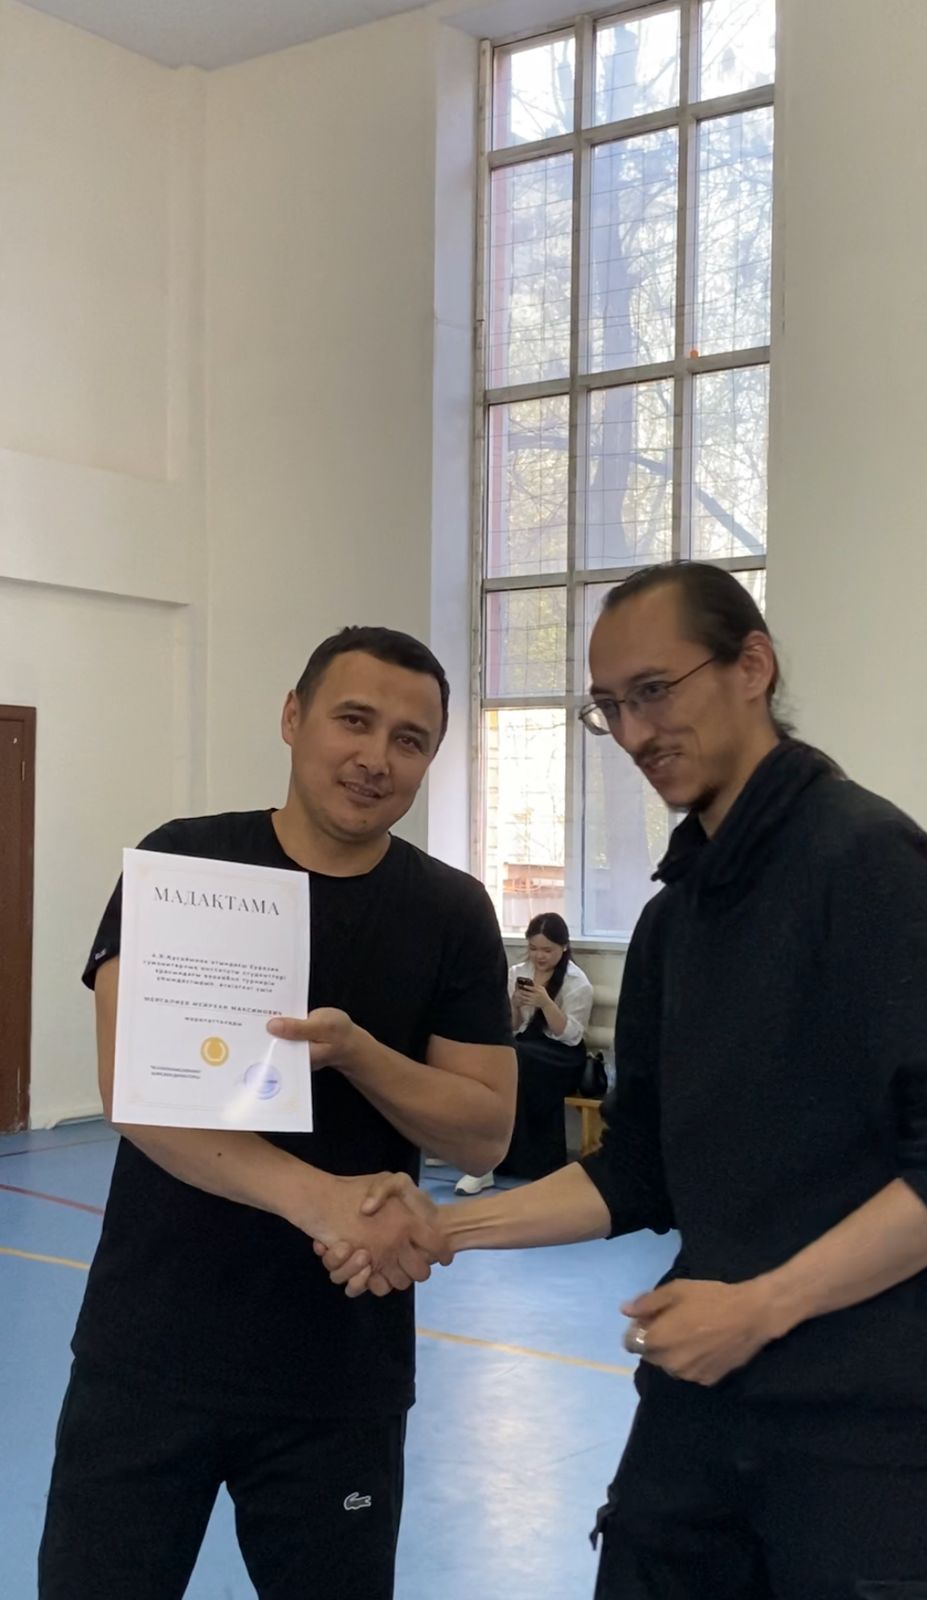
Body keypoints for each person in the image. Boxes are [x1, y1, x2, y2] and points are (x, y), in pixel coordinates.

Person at [319, 565, 927, 1600]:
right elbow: (638, 1165)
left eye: (655, 690)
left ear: (752, 665)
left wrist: (764, 1306)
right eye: (610, 706)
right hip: (701, 1400)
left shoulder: (869, 865)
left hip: (865, 1428)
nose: (635, 731)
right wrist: (444, 1227)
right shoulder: (674, 917)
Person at [38, 625, 516, 1600]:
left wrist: (357, 1052)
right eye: (353, 720)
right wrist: (319, 1199)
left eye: (411, 739)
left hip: (338, 1372)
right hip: (150, 1352)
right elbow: (135, 1092)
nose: (376, 758)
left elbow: (483, 1130)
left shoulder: (451, 911)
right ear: (293, 718)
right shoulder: (186, 860)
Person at [455, 913, 593, 1194]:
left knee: (514, 1061)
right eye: (533, 948)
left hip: (562, 1055)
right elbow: (512, 1028)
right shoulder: (517, 973)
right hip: (526, 1046)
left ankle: (493, 1164)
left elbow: (570, 1036)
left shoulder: (577, 982)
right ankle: (486, 1160)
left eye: (547, 950)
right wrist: (515, 1005)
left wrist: (546, 1004)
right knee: (504, 1058)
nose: (539, 956)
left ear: (564, 947)